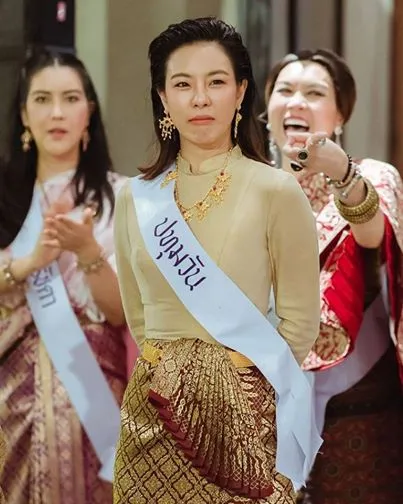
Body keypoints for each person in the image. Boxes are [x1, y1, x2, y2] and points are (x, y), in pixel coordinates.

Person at [113, 17, 322, 504]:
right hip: (150, 415)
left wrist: (241, 385)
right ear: (163, 97)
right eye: (183, 84)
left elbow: (300, 323)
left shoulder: (275, 190)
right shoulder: (136, 197)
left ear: (241, 91)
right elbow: (138, 316)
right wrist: (178, 372)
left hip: (244, 420)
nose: (200, 99)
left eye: (216, 82)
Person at [265, 48, 403, 504]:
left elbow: (372, 235)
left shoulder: (372, 176)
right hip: (262, 401)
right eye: (285, 90)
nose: (296, 102)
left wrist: (342, 174)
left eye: (314, 93)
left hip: (357, 408)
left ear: (340, 114)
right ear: (267, 109)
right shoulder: (246, 187)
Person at [0, 47, 129, 503]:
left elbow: (121, 314)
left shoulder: (122, 199)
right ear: (23, 114)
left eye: (70, 99)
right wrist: (29, 263)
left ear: (88, 112)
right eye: (42, 99)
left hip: (94, 396)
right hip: (8, 393)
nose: (56, 113)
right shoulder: (5, 198)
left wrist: (88, 252)